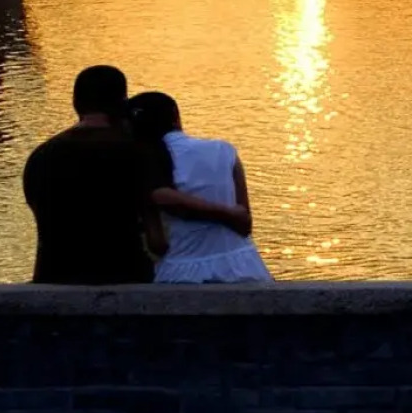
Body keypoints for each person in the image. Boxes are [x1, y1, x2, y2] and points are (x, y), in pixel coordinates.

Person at [22, 66, 245, 285]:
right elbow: (158, 239)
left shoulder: (40, 156)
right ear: (122, 105)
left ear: (75, 103)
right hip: (124, 279)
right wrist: (227, 213)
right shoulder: (139, 151)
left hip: (52, 279)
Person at [128, 91, 274, 284]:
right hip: (243, 266)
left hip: (181, 272)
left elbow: (158, 244)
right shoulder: (224, 150)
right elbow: (245, 222)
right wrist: (227, 215)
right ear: (175, 116)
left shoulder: (143, 163)